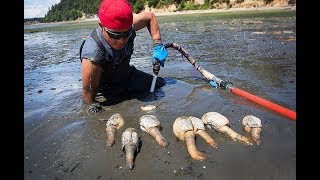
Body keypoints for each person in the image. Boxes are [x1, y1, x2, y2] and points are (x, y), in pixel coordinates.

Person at [80, 0, 168, 109]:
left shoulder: (129, 24)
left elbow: (150, 17)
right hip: (107, 91)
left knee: (161, 84)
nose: (121, 40)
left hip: (126, 75)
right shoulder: (93, 54)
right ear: (101, 26)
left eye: (126, 34)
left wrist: (158, 45)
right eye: (115, 35)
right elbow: (87, 95)